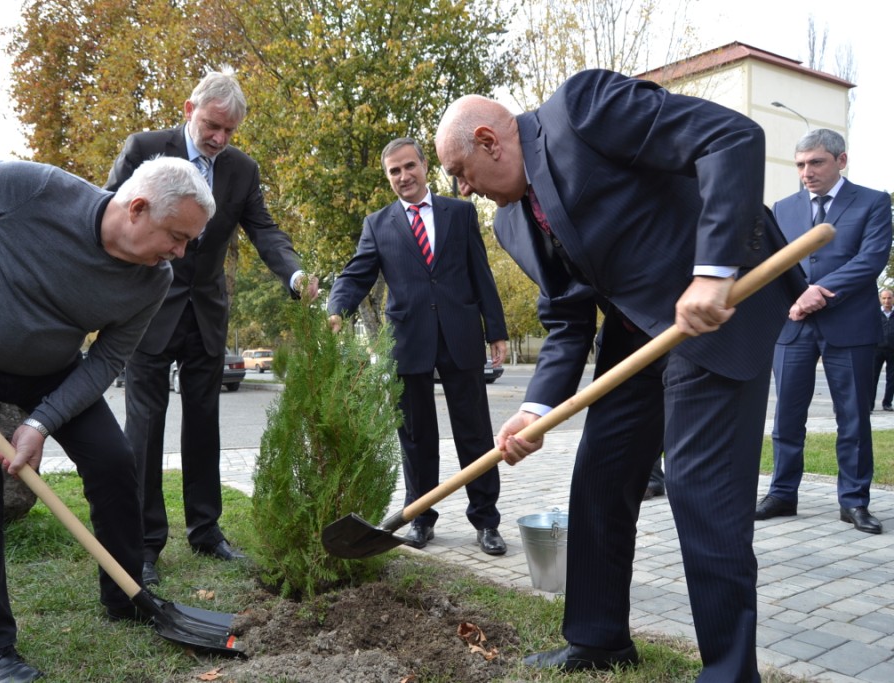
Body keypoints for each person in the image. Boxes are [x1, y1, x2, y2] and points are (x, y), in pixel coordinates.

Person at [435, 69, 801, 680]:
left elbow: (730, 138)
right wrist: (535, 410)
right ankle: (598, 639)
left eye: (462, 172)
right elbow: (567, 319)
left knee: (699, 490)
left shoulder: (583, 109)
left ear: (490, 141)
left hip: (714, 311)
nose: (464, 189)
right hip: (637, 333)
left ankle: (731, 673)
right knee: (602, 472)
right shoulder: (510, 223)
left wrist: (713, 269)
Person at [0, 157, 214, 682]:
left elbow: (105, 361)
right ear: (137, 208)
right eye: (176, 236)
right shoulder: (38, 189)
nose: (180, 252)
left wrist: (41, 423)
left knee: (114, 461)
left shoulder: (154, 280)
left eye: (188, 241)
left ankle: (125, 597)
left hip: (50, 369)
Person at [105, 71, 318, 586]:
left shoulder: (241, 171)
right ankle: (145, 542)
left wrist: (293, 272)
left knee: (204, 423)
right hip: (146, 313)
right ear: (188, 109)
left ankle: (207, 530)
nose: (219, 139)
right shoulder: (144, 150)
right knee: (145, 428)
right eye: (212, 126)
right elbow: (107, 210)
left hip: (205, 314)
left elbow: (264, 229)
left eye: (229, 131)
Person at [327, 137, 510, 555]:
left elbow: (481, 272)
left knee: (475, 432)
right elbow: (357, 275)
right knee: (415, 436)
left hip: (460, 336)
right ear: (388, 177)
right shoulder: (378, 224)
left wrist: (495, 329)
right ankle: (421, 517)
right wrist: (337, 308)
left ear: (425, 166)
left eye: (409, 166)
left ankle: (486, 521)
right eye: (394, 171)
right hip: (407, 341)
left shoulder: (460, 214)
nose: (403, 176)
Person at [755, 129, 891, 535]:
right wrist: (792, 301)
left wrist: (819, 293)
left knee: (852, 418)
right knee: (786, 419)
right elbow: (775, 263)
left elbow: (870, 260)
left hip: (850, 326)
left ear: (841, 160)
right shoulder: (783, 208)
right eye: (800, 164)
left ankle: (854, 502)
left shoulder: (872, 202)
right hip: (793, 325)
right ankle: (782, 493)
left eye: (816, 162)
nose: (806, 172)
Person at [873, 289, 894, 411]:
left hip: (892, 350)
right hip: (877, 350)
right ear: (880, 299)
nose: (887, 300)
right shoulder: (875, 314)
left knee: (892, 379)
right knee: (873, 377)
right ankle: (870, 404)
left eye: (889, 298)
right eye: (884, 298)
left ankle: (887, 403)